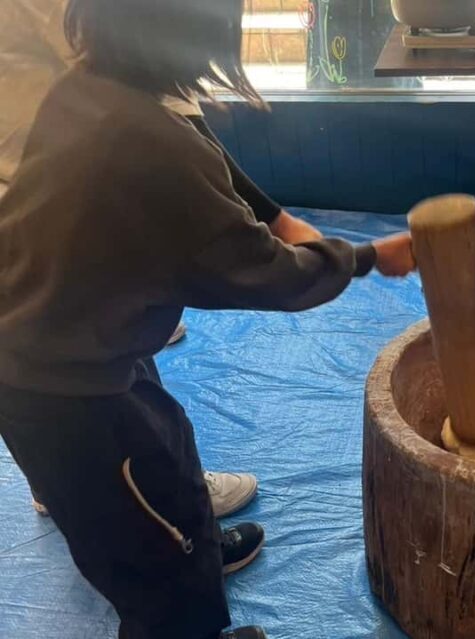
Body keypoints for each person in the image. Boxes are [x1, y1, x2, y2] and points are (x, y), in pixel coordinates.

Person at [0, 0, 416, 637]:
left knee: (166, 460)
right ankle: (180, 598)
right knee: (150, 560)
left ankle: (186, 542)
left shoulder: (85, 90)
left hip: (67, 339)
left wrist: (283, 221)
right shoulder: (152, 149)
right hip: (64, 392)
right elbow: (270, 272)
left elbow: (196, 158)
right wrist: (365, 258)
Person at [0, 0, 321, 518]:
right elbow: (161, 100)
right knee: (96, 377)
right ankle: (171, 509)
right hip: (53, 199)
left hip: (37, 203)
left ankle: (72, 487)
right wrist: (277, 222)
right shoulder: (124, 95)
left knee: (65, 366)